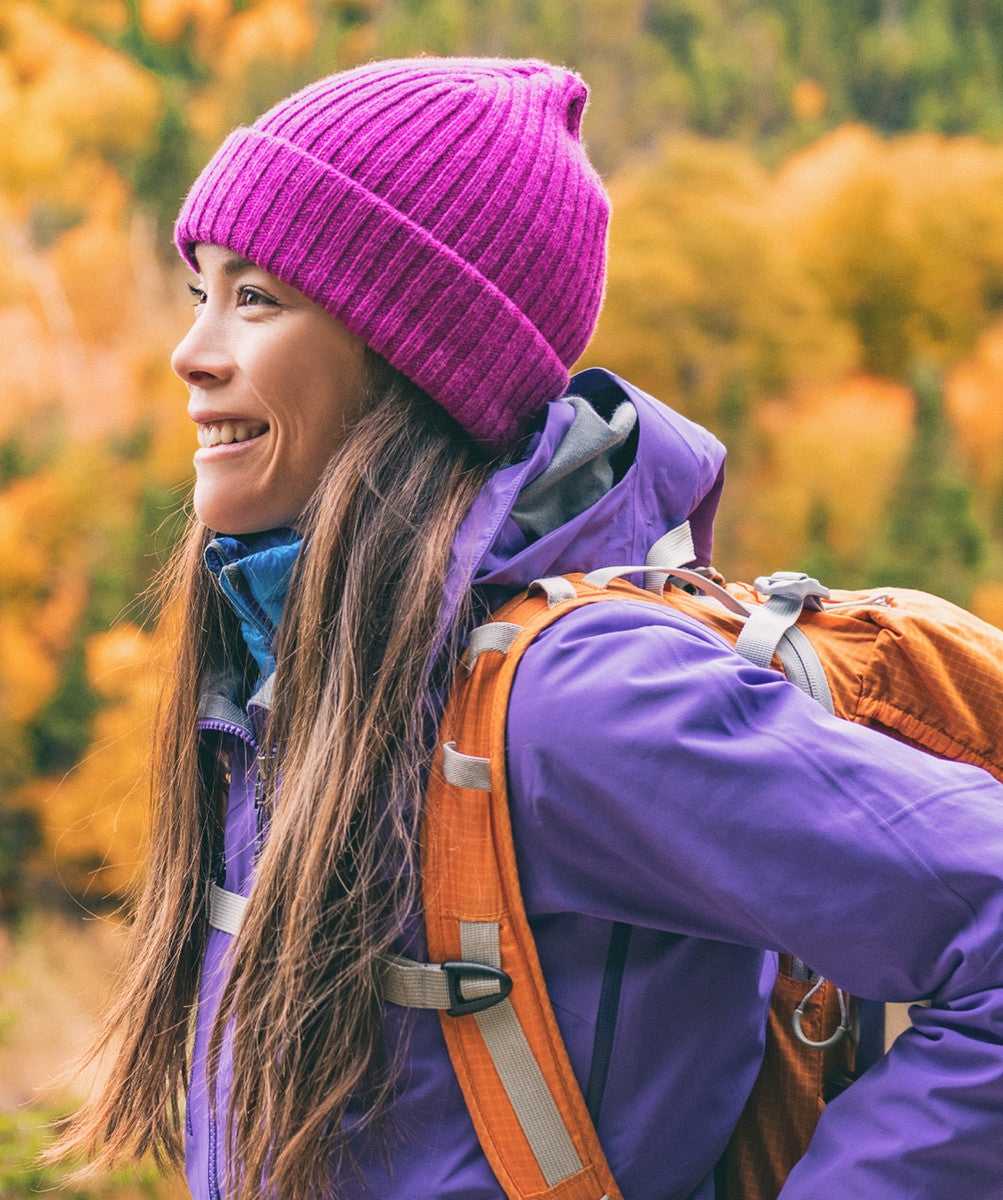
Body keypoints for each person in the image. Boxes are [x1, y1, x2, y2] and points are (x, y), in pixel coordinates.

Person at [61, 57, 1003, 1200]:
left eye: (255, 298)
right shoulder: (291, 667)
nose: (191, 350)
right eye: (201, 288)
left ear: (414, 356)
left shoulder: (579, 701)